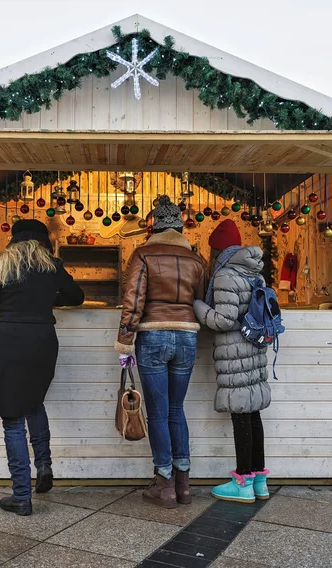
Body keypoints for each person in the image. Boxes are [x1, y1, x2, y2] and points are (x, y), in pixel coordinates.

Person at [0, 219, 84, 516]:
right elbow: (77, 297)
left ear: (14, 239)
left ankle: (21, 496)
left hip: (8, 341)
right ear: (43, 241)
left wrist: (8, 323)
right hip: (43, 341)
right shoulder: (51, 266)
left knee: (12, 420)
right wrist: (48, 298)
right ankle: (44, 465)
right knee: (34, 403)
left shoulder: (0, 264)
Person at [115, 195, 205, 508]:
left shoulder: (143, 253)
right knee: (176, 410)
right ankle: (184, 486)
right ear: (179, 227)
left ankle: (164, 485)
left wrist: (125, 338)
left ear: (154, 226)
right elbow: (200, 299)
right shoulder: (195, 259)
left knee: (157, 412)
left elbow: (133, 299)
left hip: (152, 336)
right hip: (187, 337)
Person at [194, 219, 271, 504]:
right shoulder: (255, 274)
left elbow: (224, 320)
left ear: (217, 250)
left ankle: (242, 483)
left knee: (241, 413)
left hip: (236, 351)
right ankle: (259, 482)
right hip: (255, 350)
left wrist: (198, 306)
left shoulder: (226, 275)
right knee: (253, 414)